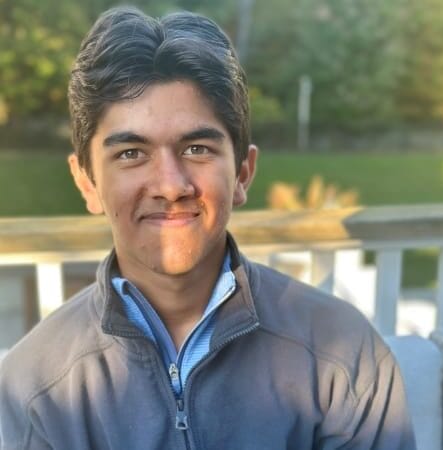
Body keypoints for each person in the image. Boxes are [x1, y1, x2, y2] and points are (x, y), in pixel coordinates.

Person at [0, 6, 416, 449]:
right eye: (130, 154)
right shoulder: (32, 390)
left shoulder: (342, 357)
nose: (171, 185)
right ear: (87, 182)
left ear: (242, 172)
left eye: (197, 148)